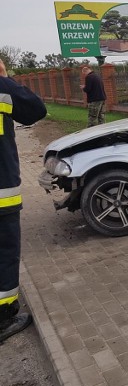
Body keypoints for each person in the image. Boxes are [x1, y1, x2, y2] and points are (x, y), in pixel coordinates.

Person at [0, 58, 47, 343]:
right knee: (5, 252)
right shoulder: (3, 88)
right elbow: (36, 110)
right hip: (1, 194)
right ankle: (4, 318)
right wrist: (5, 79)